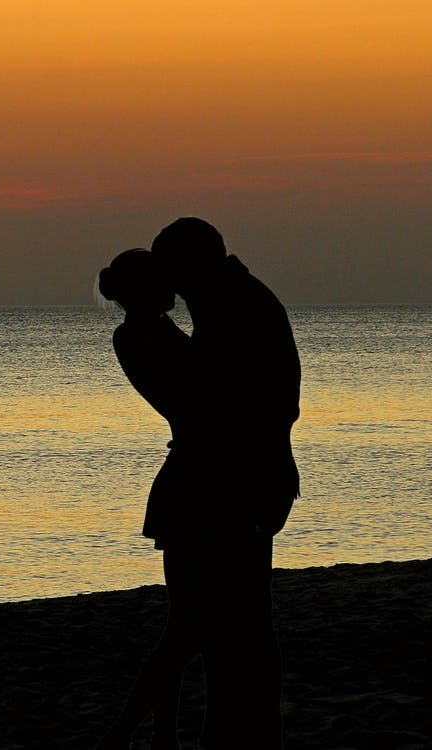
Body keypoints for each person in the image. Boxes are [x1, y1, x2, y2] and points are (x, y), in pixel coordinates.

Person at [150, 217, 300, 749]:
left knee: (237, 626)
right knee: (235, 625)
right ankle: (245, 734)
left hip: (244, 483)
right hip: (248, 479)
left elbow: (268, 405)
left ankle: (245, 736)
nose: (166, 281)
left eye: (169, 268)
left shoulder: (235, 306)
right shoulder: (228, 302)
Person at [95, 248, 204, 750]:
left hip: (187, 478)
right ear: (142, 289)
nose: (173, 289)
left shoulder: (149, 331)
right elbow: (195, 390)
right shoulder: (139, 335)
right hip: (191, 483)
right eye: (162, 281)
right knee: (185, 629)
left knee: (181, 626)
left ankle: (161, 737)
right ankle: (124, 735)